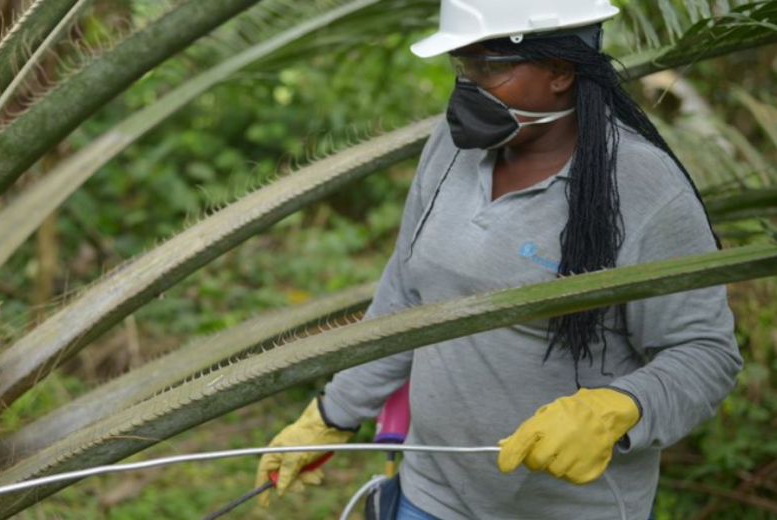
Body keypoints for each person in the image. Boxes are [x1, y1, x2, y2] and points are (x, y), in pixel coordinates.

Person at [255, 1, 742, 519]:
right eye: (463, 66)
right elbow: (405, 294)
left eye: (489, 68)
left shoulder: (644, 190)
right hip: (428, 495)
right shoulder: (450, 148)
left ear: (559, 70)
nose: (468, 87)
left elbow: (705, 354)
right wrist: (335, 411)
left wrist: (620, 410)